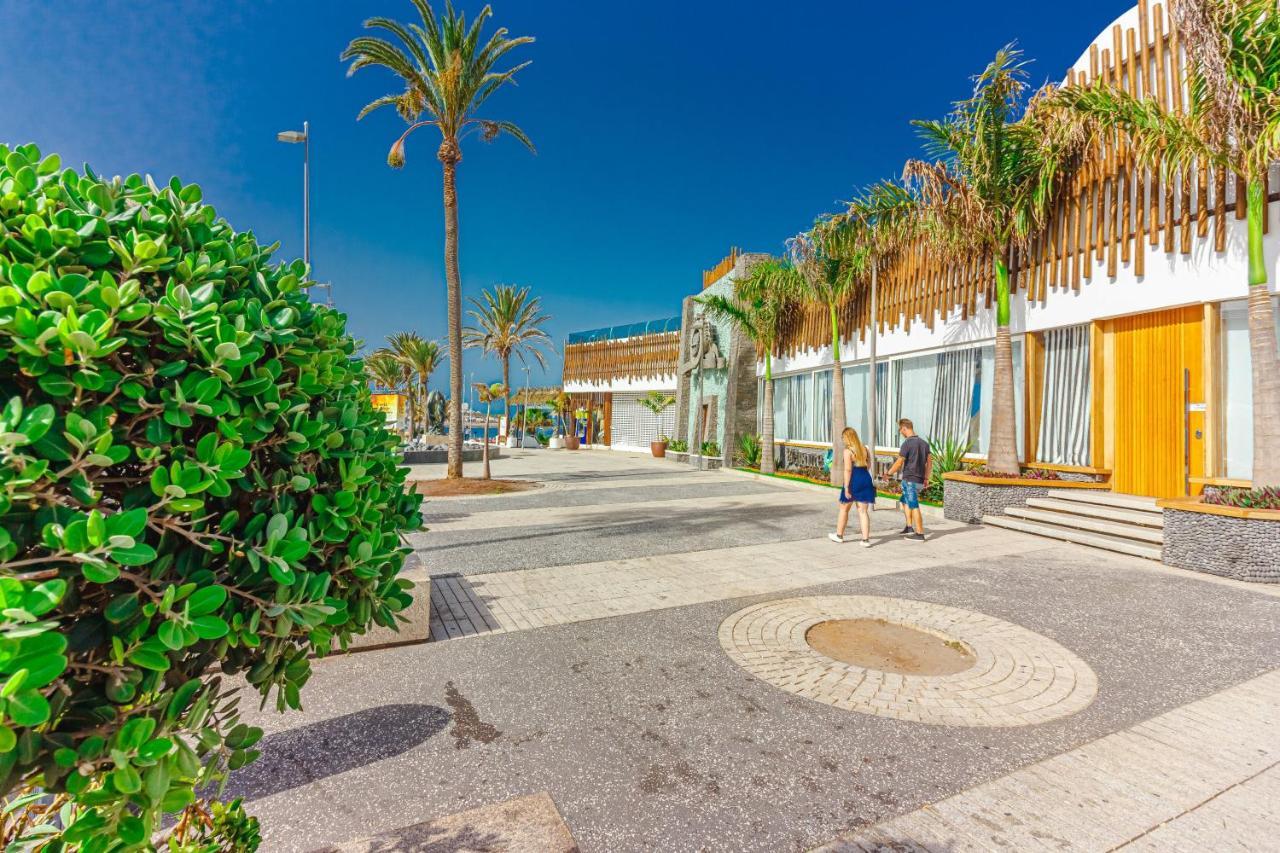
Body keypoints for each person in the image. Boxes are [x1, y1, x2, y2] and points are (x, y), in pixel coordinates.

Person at [829, 427, 876, 547]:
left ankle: (839, 535)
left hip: (853, 480)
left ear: (847, 438)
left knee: (844, 508)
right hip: (865, 478)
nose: (843, 440)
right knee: (863, 511)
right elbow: (869, 464)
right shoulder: (865, 449)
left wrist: (846, 487)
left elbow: (848, 470)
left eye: (843, 438)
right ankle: (865, 540)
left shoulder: (848, 451)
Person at [885, 418, 931, 541]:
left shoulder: (907, 443)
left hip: (910, 479)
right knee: (905, 501)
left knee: (913, 505)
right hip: (919, 479)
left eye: (900, 430)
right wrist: (926, 478)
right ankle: (909, 527)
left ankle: (920, 533)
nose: (900, 432)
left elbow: (899, 462)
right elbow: (929, 464)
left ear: (904, 428)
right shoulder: (924, 444)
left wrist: (888, 473)